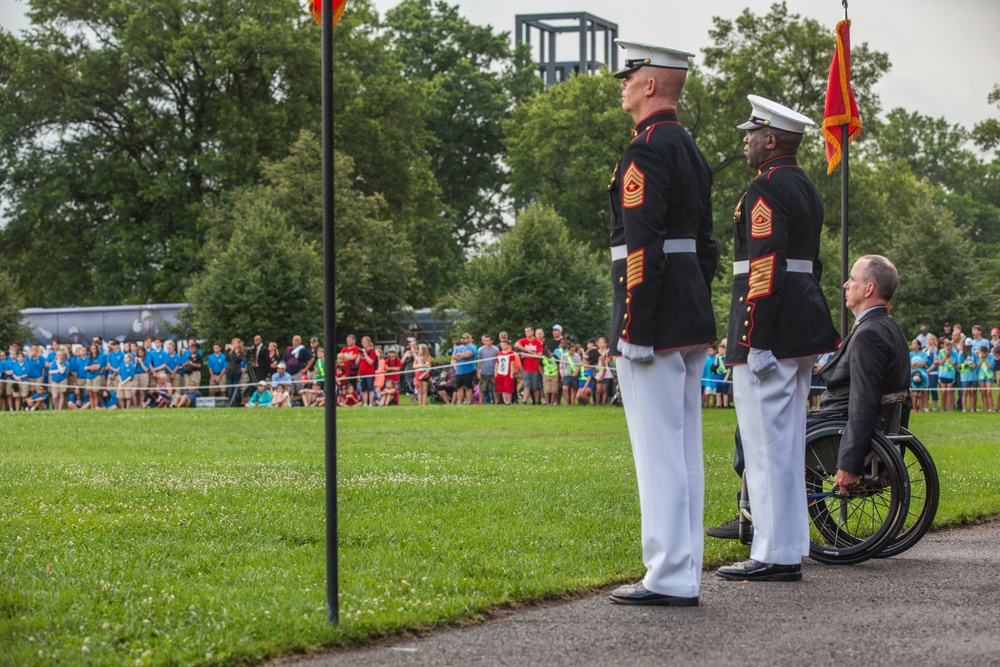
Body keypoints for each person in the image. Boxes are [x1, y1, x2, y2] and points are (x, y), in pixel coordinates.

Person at [605, 40, 717, 607]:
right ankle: (683, 566)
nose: (621, 84)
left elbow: (642, 245)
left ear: (650, 83)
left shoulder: (646, 150)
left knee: (658, 452)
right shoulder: (691, 149)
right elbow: (708, 246)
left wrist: (635, 326)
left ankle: (668, 573)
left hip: (655, 314)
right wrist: (694, 298)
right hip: (689, 308)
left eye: (629, 75)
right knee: (683, 449)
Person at [714, 95, 839, 584]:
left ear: (770, 140)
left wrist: (756, 338)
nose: (745, 142)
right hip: (800, 322)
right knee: (784, 446)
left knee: (767, 447)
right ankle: (788, 545)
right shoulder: (804, 184)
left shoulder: (766, 187)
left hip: (772, 328)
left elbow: (764, 267)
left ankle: (773, 550)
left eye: (750, 134)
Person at [514, 326, 543, 405]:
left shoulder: (537, 342)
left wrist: (526, 355)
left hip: (535, 368)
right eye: (526, 331)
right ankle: (524, 401)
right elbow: (516, 345)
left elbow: (539, 355)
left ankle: (536, 401)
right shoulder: (523, 340)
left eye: (529, 331)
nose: (527, 333)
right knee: (527, 385)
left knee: (535, 386)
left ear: (532, 332)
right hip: (526, 368)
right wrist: (528, 351)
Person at [451, 333, 478, 405]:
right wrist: (461, 355)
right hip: (459, 371)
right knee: (459, 388)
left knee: (468, 387)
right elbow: (454, 357)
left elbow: (468, 355)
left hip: (468, 370)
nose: (463, 339)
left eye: (465, 338)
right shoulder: (457, 348)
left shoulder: (471, 347)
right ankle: (459, 402)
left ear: (469, 339)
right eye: (462, 338)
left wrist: (459, 355)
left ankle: (469, 402)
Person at [476, 334, 498, 405]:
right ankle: (480, 402)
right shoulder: (481, 350)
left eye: (488, 340)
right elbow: (479, 361)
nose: (486, 342)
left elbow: (497, 361)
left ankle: (496, 402)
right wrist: (479, 371)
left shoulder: (496, 349)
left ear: (492, 341)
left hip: (493, 372)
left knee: (495, 389)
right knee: (482, 388)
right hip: (484, 372)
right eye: (485, 341)